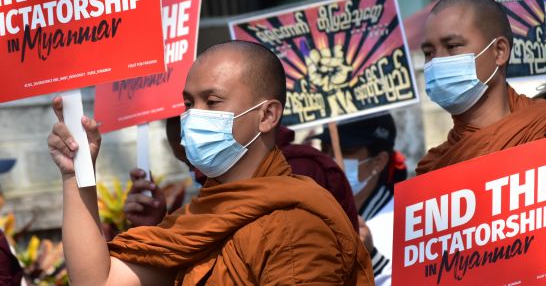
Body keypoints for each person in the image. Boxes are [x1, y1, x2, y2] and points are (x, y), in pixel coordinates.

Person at [48, 40, 374, 285]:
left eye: (212, 101)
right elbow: (99, 281)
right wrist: (75, 172)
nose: (193, 116)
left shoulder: (293, 228)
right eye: (188, 103)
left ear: (267, 115)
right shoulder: (200, 218)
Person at [417, 0, 546, 283]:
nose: (437, 63)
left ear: (499, 51)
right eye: (428, 53)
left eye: (452, 47)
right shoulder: (434, 169)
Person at [126, 120, 359, 231]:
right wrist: (156, 226)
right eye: (188, 165)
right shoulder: (223, 184)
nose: (196, 174)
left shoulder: (298, 171)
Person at [318, 114, 408, 286]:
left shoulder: (407, 221)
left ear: (379, 162)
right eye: (324, 148)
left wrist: (371, 257)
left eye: (345, 151)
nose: (329, 159)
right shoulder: (314, 213)